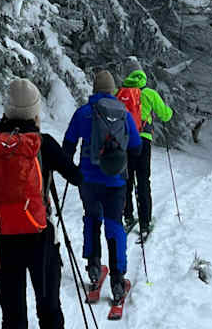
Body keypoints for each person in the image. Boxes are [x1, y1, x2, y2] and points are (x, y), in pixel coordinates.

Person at [0, 79, 82, 329]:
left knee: (13, 316)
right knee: (49, 311)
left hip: (2, 237)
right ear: (35, 111)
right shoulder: (44, 144)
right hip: (40, 236)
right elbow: (77, 177)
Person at [63, 70, 141, 307]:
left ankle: (94, 268)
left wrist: (72, 170)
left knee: (92, 220)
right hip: (115, 182)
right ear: (112, 89)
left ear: (95, 89)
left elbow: (68, 145)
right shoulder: (123, 114)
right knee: (114, 226)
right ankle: (118, 280)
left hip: (88, 180)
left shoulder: (83, 113)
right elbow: (136, 147)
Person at [114, 69, 174, 237]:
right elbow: (166, 115)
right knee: (143, 180)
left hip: (124, 141)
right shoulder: (149, 93)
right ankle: (145, 222)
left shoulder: (120, 93)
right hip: (142, 141)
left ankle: (127, 216)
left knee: (126, 179)